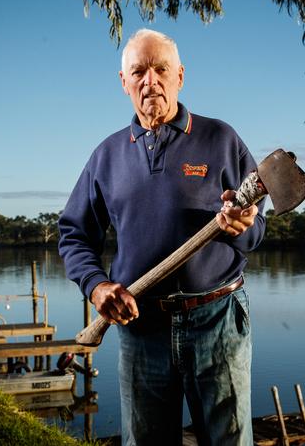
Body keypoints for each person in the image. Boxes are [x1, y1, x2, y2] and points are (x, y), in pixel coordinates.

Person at [58, 28, 265, 446]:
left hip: (218, 320)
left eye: (160, 69)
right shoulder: (107, 155)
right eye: (138, 71)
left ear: (180, 76)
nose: (150, 81)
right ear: (124, 82)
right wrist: (97, 287)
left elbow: (258, 230)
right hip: (141, 328)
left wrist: (243, 227)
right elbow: (74, 234)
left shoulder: (221, 139)